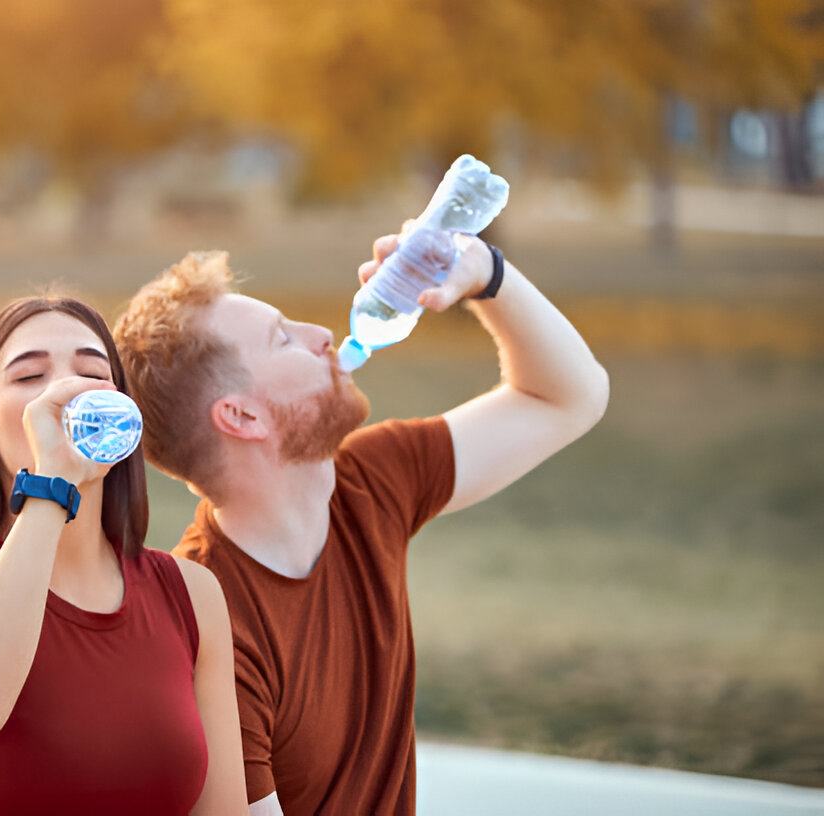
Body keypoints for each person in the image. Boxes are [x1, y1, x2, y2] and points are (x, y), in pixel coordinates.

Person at [113, 234, 609, 815]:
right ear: (241, 416)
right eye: (282, 337)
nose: (320, 335)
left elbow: (571, 396)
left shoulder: (370, 482)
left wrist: (487, 275)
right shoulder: (205, 625)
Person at [0, 295, 248, 815]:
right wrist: (51, 486)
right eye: (29, 378)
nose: (65, 392)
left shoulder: (191, 595)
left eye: (93, 373)